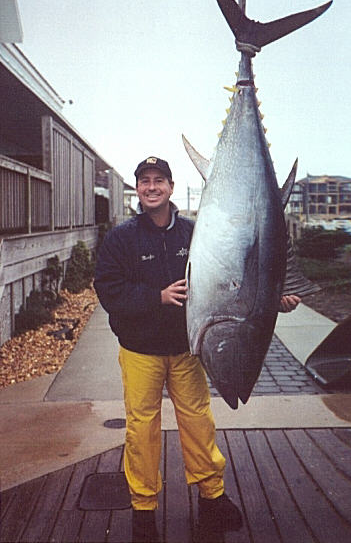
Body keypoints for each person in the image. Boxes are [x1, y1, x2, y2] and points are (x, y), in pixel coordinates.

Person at [94, 156, 301, 542]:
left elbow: (231, 276)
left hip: (187, 348)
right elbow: (108, 289)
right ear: (137, 189)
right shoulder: (121, 238)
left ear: (171, 187)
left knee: (198, 422)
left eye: (159, 180)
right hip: (140, 350)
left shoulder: (197, 232)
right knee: (141, 429)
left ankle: (212, 497)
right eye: (144, 181)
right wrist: (155, 297)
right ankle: (143, 511)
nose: (151, 187)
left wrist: (273, 300)